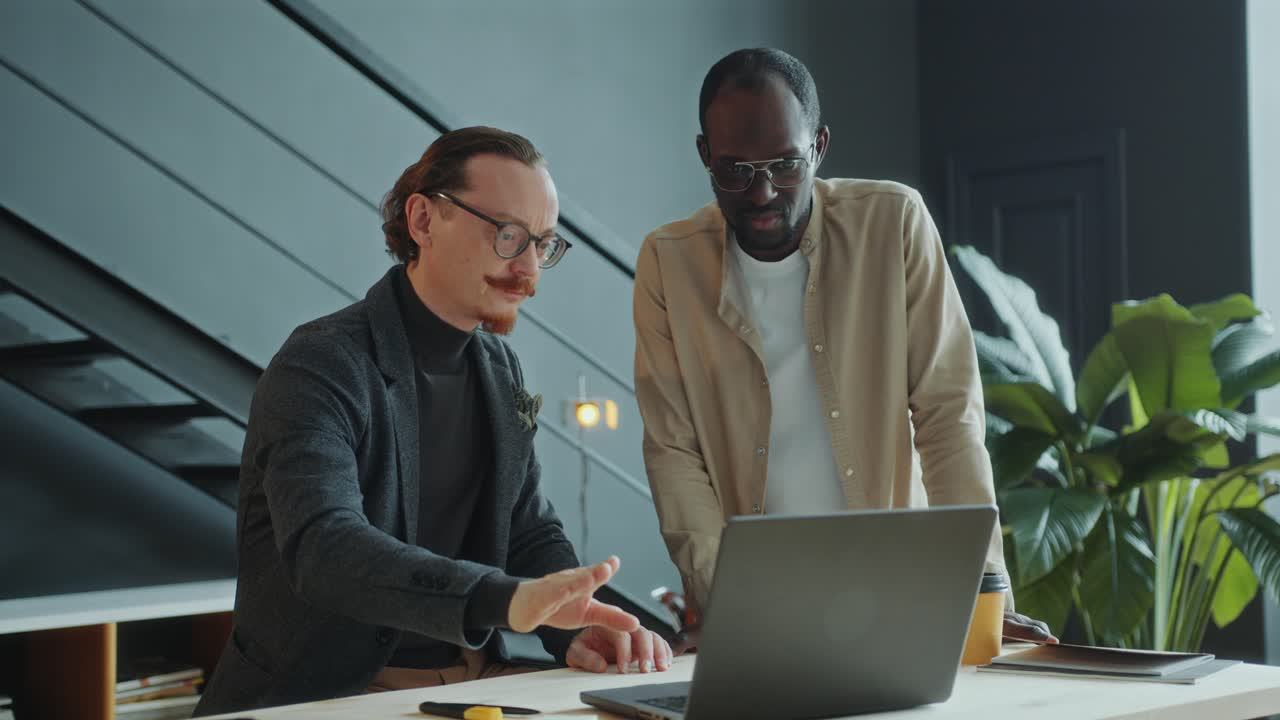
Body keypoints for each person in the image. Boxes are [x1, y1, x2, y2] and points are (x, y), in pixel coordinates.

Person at [197, 127, 670, 716]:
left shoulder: (500, 369)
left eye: (543, 243)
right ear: (423, 221)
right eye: (506, 234)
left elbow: (527, 531)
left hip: (480, 683)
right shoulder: (321, 362)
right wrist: (502, 598)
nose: (528, 268)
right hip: (331, 693)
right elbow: (325, 548)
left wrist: (574, 629)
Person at [633, 49, 1054, 645]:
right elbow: (674, 451)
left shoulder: (893, 223)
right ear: (705, 154)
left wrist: (983, 585)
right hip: (756, 600)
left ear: (819, 147)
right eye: (735, 171)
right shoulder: (668, 263)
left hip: (897, 587)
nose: (761, 193)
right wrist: (722, 596)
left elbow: (948, 417)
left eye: (785, 164)